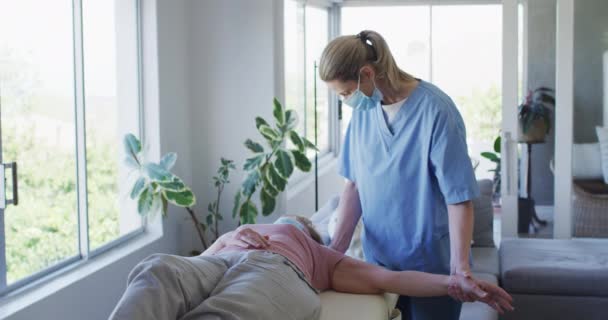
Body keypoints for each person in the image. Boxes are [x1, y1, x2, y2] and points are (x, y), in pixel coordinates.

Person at [319, 30, 484, 319]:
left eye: (346, 92)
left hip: (431, 265)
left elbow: (459, 197)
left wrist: (460, 270)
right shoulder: (363, 113)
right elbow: (355, 185)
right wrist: (334, 252)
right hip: (379, 267)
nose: (346, 101)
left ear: (367, 74)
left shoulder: (436, 110)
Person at [109, 216, 512, 320]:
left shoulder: (318, 254)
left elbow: (389, 279)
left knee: (227, 312)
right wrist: (229, 240)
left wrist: (454, 282)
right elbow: (190, 269)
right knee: (156, 270)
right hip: (218, 260)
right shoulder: (241, 230)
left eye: (298, 221)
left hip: (277, 271)